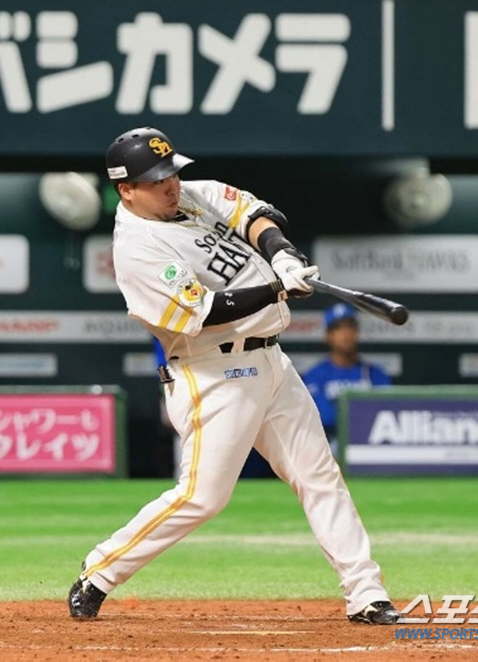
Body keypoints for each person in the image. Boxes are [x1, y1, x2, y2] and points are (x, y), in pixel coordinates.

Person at [67, 126, 399, 626]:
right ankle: (100, 572)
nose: (171, 184)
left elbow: (255, 214)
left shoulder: (193, 196)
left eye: (171, 172)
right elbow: (204, 312)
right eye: (156, 179)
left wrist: (283, 253)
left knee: (319, 475)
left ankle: (366, 592)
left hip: (271, 362)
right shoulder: (136, 248)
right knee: (203, 496)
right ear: (126, 190)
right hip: (213, 372)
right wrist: (275, 289)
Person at [303, 304, 391, 450]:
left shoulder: (374, 374)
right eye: (338, 328)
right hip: (328, 449)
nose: (345, 334)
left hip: (368, 448)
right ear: (328, 335)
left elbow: (386, 419)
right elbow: (322, 418)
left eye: (350, 327)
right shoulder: (315, 375)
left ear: (357, 331)